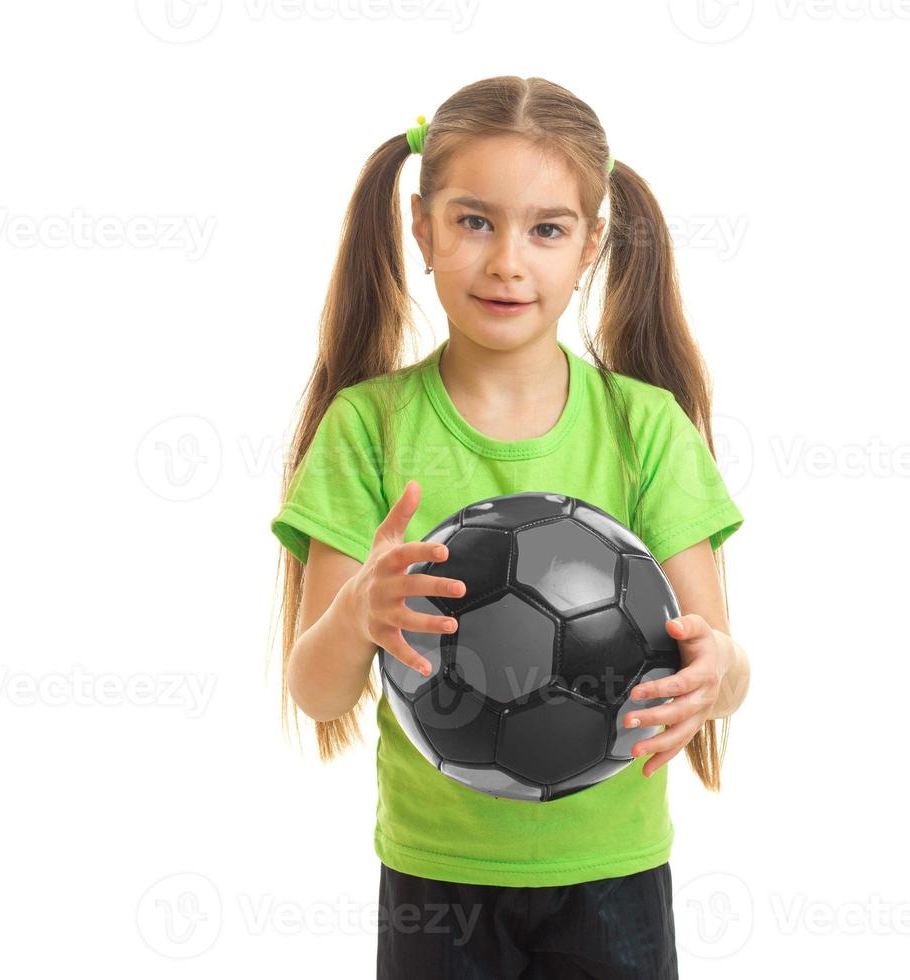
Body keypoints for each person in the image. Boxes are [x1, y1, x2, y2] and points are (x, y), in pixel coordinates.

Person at [270, 75, 750, 979]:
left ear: (592, 243)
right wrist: (357, 616)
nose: (507, 263)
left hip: (614, 870)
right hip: (436, 879)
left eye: (547, 228)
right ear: (421, 227)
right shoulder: (369, 429)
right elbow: (317, 690)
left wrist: (721, 676)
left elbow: (714, 657)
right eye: (473, 221)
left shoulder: (644, 427)